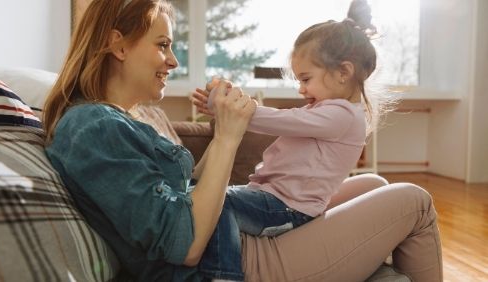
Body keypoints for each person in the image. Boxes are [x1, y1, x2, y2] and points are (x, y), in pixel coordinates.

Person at [42, 0, 443, 281]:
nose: (174, 60)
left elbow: (182, 190)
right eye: (163, 45)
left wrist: (230, 129)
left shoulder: (118, 121)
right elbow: (185, 242)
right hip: (247, 260)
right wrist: (228, 135)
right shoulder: (92, 127)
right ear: (118, 45)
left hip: (248, 227)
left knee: (375, 184)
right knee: (415, 200)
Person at [191, 1, 388, 280]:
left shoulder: (342, 115)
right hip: (275, 200)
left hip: (289, 209)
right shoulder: (329, 110)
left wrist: (236, 107)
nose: (301, 88)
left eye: (306, 79)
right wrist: (226, 106)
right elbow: (285, 119)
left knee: (220, 201)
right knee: (215, 196)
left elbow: (283, 119)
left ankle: (223, 275)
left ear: (344, 72)